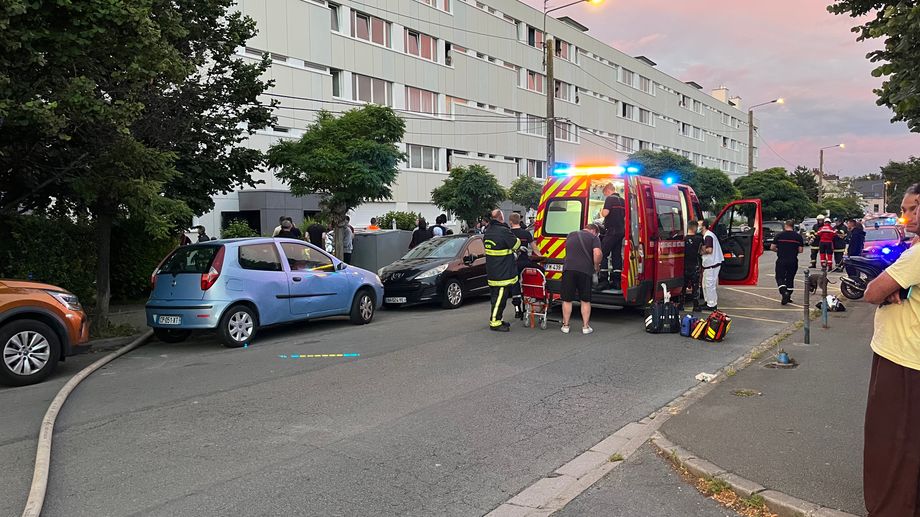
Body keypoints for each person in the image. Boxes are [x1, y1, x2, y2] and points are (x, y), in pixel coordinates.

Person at [862, 184, 920, 517]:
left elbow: (872, 292)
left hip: (903, 356)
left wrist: (889, 287)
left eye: (913, 208)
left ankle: (892, 508)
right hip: (906, 353)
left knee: (894, 439)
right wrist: (894, 287)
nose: (906, 215)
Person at [560, 224, 602, 334]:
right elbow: (597, 253)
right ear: (593, 230)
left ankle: (566, 326)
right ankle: (585, 327)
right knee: (585, 300)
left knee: (567, 299)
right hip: (585, 271)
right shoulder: (594, 238)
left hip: (568, 270)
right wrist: (596, 266)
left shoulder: (570, 235)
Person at [484, 208, 520, 332]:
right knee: (500, 299)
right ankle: (495, 322)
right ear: (501, 217)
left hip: (492, 271)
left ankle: (498, 318)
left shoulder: (488, 231)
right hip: (502, 272)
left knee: (495, 298)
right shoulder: (503, 231)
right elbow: (515, 244)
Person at [509, 212, 541, 319]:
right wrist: (541, 258)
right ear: (519, 221)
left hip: (512, 264)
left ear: (510, 222)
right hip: (524, 262)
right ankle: (535, 297)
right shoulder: (526, 234)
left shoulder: (508, 233)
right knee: (533, 278)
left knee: (515, 285)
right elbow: (534, 248)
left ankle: (517, 308)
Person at [598, 183, 626, 291]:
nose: (605, 195)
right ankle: (617, 281)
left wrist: (601, 211)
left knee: (602, 253)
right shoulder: (623, 200)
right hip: (621, 231)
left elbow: (605, 213)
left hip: (612, 231)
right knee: (616, 255)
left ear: (608, 191)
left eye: (605, 193)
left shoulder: (610, 199)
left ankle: (603, 280)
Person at [771, 220, 804, 305]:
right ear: (793, 226)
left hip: (781, 260)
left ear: (785, 225)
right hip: (793, 260)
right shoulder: (798, 236)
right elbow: (800, 250)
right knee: (790, 278)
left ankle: (783, 292)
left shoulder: (779, 235)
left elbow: (772, 247)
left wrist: (779, 250)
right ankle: (788, 296)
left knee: (779, 277)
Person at [700, 219, 723, 310]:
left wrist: (700, 251)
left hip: (712, 265)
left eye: (699, 225)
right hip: (710, 265)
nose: (697, 227)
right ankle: (708, 301)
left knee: (709, 285)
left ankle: (712, 304)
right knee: (705, 284)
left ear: (703, 226)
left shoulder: (708, 236)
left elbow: (709, 250)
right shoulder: (708, 235)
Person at [682, 223, 703, 311]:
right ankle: (696, 306)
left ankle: (680, 304)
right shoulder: (699, 239)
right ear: (695, 228)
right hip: (695, 265)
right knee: (695, 286)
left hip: (685, 265)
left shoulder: (684, 239)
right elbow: (702, 250)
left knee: (683, 286)